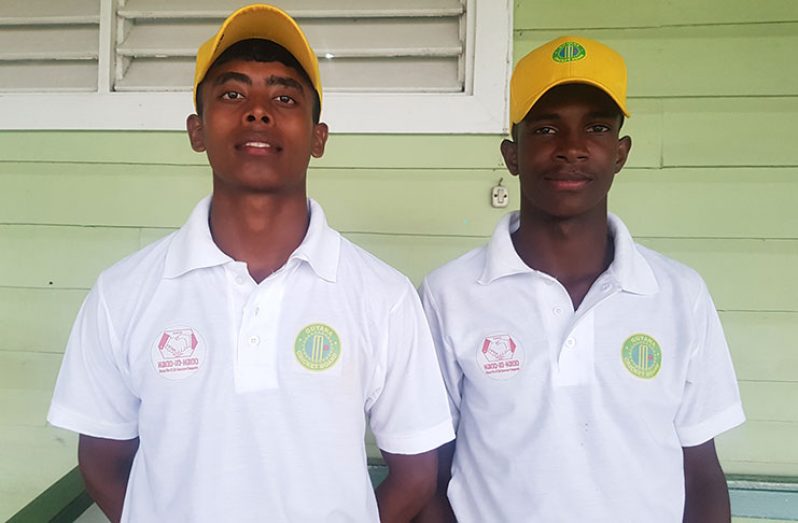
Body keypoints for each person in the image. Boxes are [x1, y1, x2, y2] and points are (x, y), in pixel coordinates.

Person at [47, 4, 453, 522]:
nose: (257, 110)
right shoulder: (122, 292)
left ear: (318, 137)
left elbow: (417, 472)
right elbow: (101, 462)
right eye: (232, 94)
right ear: (196, 131)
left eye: (285, 96)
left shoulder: (383, 296)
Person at [417, 36, 745, 522]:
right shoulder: (449, 295)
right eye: (546, 128)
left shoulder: (679, 294)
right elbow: (428, 476)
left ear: (621, 152)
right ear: (512, 155)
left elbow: (701, 473)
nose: (571, 148)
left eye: (596, 127)